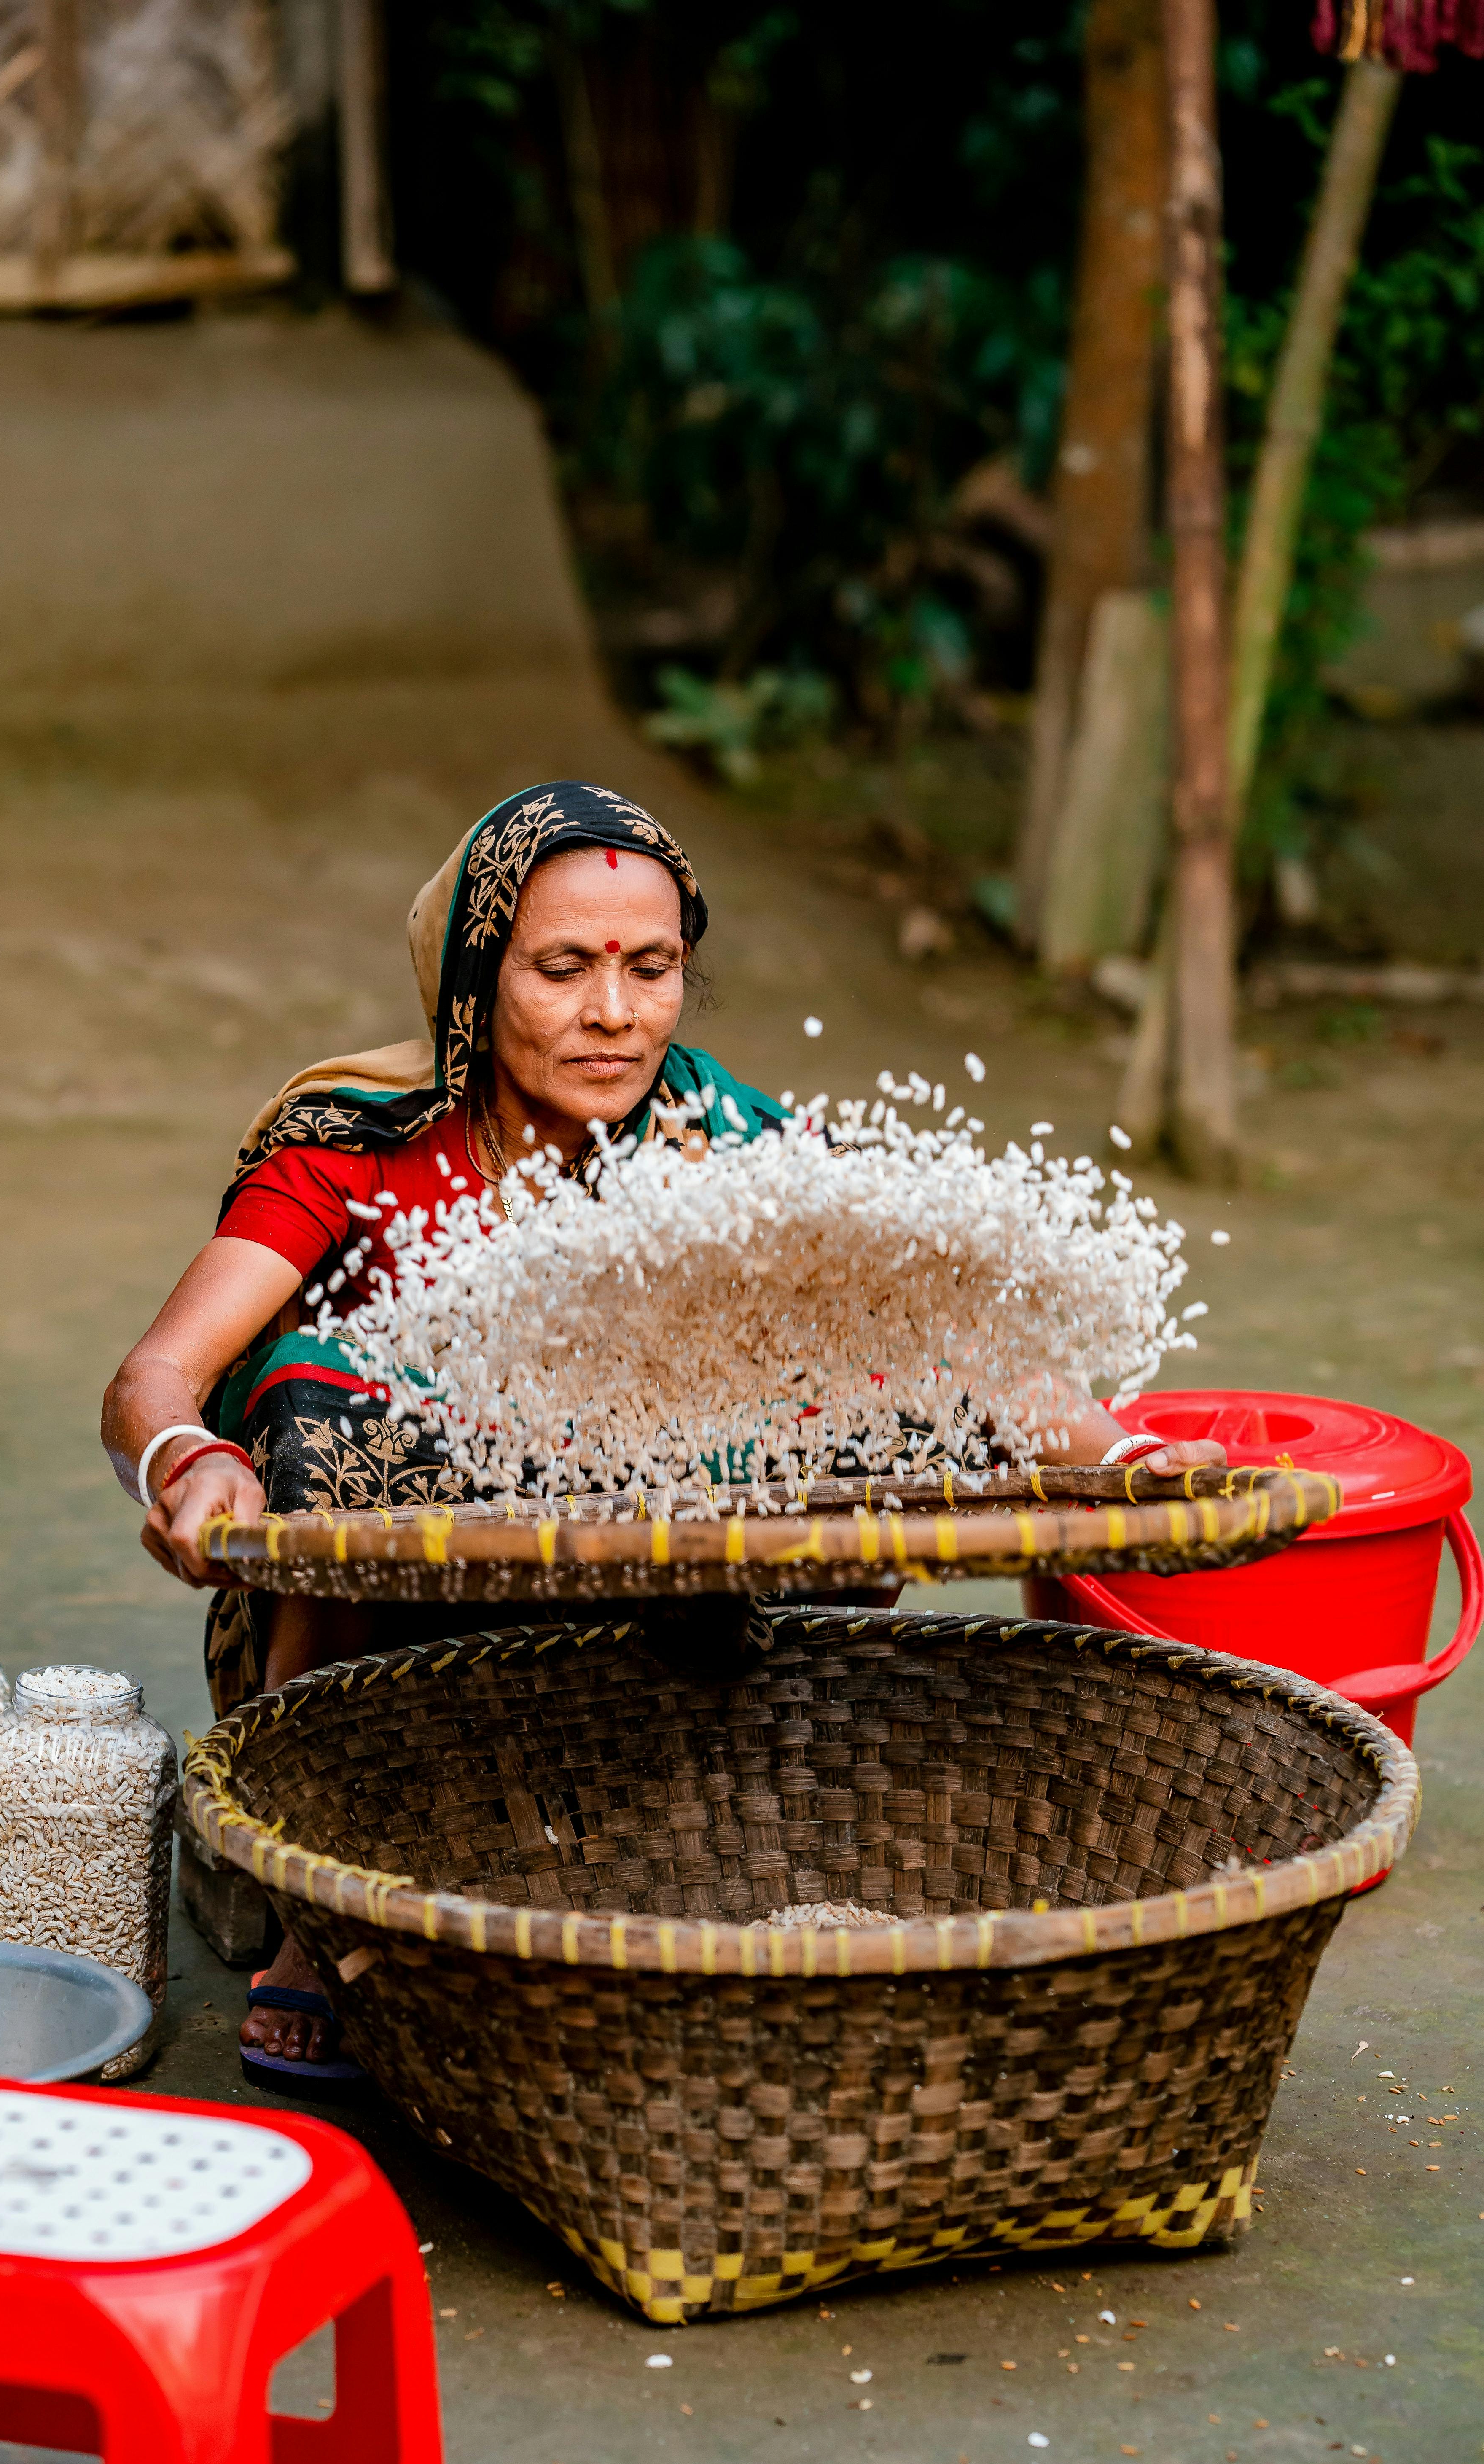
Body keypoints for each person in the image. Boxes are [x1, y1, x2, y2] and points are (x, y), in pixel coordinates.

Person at [102, 778, 1225, 2080]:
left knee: (850, 1404)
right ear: (476, 975)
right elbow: (154, 1376)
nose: (615, 1014)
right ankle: (315, 1904)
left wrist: (1123, 1460)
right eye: (563, 968)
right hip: (401, 1601)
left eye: (654, 966)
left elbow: (926, 1332)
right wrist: (194, 1460)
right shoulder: (363, 1150)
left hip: (652, 1573)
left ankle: (746, 1819)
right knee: (310, 1390)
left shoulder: (718, 1135)